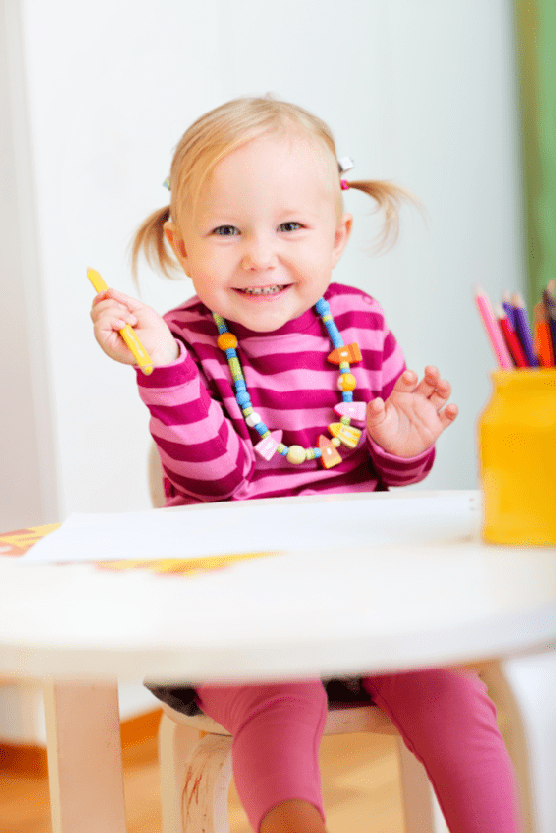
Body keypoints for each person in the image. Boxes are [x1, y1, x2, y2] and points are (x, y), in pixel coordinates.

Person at [90, 96, 520, 833]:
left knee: (450, 688)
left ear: (338, 236)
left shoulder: (359, 323)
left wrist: (403, 444)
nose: (260, 255)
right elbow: (217, 480)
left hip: (364, 607)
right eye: (226, 230)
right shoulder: (179, 341)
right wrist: (161, 364)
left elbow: (392, 483)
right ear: (180, 246)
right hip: (235, 621)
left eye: (290, 227)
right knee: (281, 697)